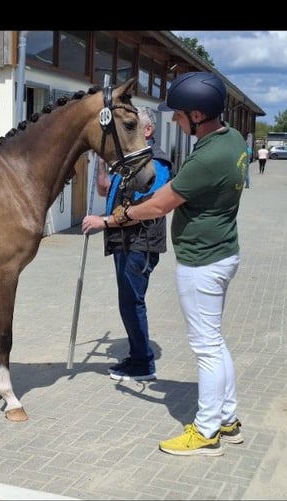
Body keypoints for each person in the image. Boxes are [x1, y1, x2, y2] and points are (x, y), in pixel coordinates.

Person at [112, 71, 246, 457]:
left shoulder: (208, 157)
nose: (175, 120)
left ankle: (206, 431)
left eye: (179, 114)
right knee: (214, 342)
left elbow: (161, 204)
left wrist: (121, 215)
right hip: (222, 251)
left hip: (202, 261)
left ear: (197, 116)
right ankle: (227, 419)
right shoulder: (233, 139)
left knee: (206, 348)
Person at [82, 106, 172, 382]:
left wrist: (104, 221)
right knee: (127, 302)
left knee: (133, 302)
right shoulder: (130, 160)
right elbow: (104, 189)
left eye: (131, 128)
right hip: (124, 241)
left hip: (141, 242)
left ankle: (143, 364)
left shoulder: (156, 162)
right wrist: (101, 161)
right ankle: (137, 356)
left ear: (148, 130)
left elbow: (147, 207)